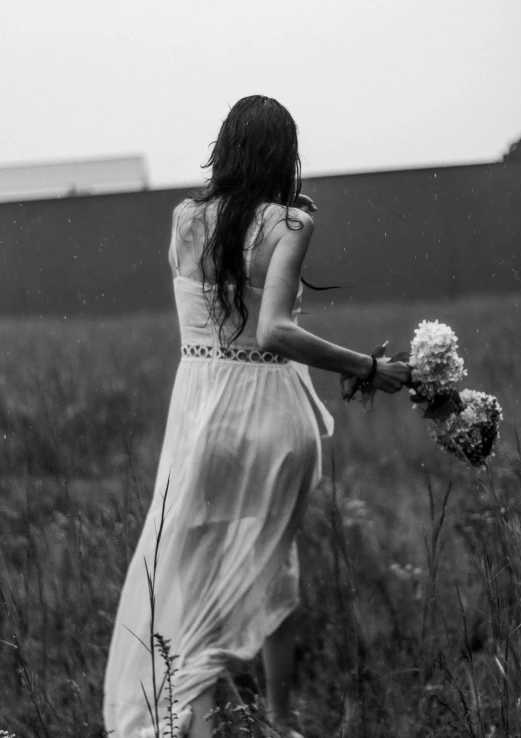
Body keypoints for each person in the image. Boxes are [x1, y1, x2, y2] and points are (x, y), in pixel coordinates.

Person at [103, 95, 410, 738]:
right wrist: (368, 368)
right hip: (273, 419)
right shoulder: (289, 225)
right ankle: (276, 720)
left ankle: (199, 719)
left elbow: (209, 315)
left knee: (191, 576)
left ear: (226, 149)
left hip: (205, 417)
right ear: (284, 156)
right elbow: (273, 330)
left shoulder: (186, 218)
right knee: (274, 566)